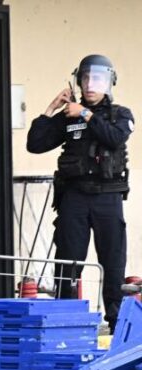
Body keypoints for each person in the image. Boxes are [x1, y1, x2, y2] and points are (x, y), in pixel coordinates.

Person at [26, 54, 134, 333]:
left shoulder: (120, 115)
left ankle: (115, 324)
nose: (89, 84)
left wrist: (85, 114)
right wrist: (53, 108)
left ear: (109, 82)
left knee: (112, 262)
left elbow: (113, 137)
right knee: (68, 261)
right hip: (74, 197)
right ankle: (65, 322)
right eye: (85, 78)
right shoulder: (68, 116)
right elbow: (35, 144)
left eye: (96, 78)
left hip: (108, 197)